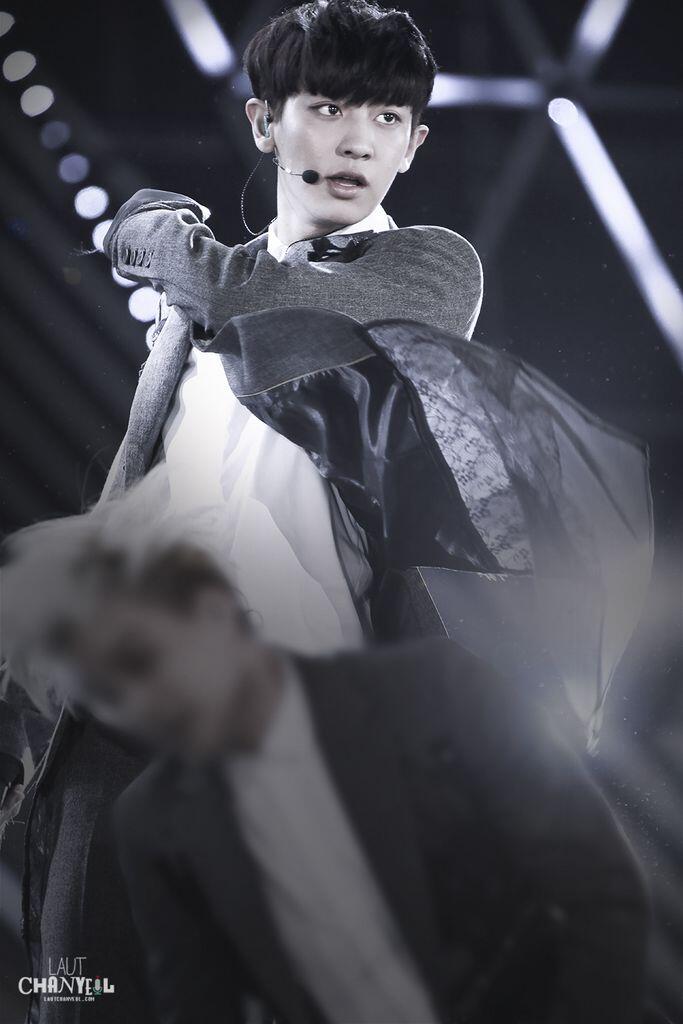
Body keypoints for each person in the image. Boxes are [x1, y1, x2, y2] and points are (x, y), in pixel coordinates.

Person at [0, 1, 652, 1021]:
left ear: (414, 143)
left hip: (305, 715)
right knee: (82, 994)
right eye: (329, 106)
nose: (356, 140)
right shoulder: (193, 308)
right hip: (128, 701)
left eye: (386, 117)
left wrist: (150, 232)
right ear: (265, 123)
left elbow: (241, 297)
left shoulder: (428, 271)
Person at [1, 482, 650, 1024]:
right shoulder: (148, 817)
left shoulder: (431, 691)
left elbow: (594, 889)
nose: (138, 701)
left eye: (139, 658)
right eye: (105, 692)